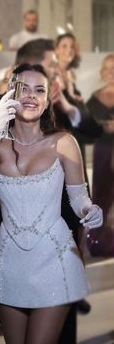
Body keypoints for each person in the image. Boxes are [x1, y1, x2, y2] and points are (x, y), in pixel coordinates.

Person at [0, 63, 102, 344]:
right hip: (9, 262)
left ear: (47, 101)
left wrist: (89, 211)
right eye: (24, 88)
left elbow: (79, 197)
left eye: (39, 90)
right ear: (10, 94)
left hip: (55, 259)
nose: (31, 96)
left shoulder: (64, 142)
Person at [86, 53, 114, 257]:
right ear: (102, 73)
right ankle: (100, 240)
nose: (111, 73)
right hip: (103, 150)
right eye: (108, 69)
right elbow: (86, 126)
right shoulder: (94, 98)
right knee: (102, 194)